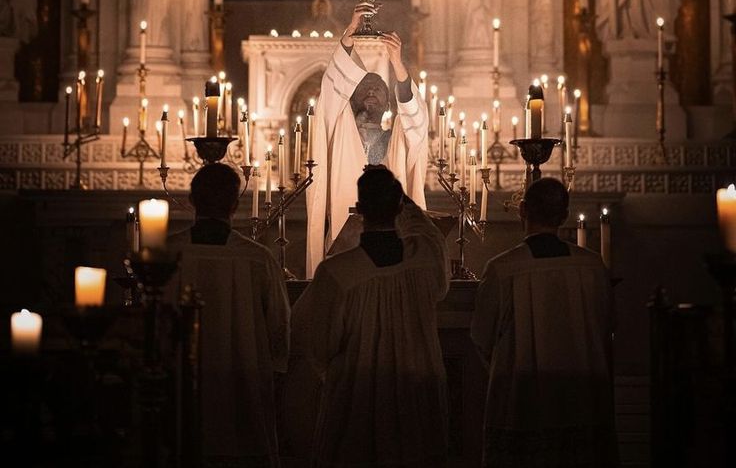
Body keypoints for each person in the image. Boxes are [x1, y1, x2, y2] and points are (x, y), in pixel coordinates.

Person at [292, 167, 449, 468]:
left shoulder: (338, 272)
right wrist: (407, 204)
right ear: (400, 206)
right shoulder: (425, 258)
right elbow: (429, 235)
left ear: (359, 209)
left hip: (357, 398)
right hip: (415, 393)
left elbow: (317, 345)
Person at [470, 177, 618, 468]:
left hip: (522, 400)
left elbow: (481, 337)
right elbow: (607, 328)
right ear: (564, 215)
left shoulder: (503, 269)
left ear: (522, 210)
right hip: (581, 397)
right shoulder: (592, 267)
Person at [167, 162, 290, 468]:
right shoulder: (256, 258)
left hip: (181, 383)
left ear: (192, 201)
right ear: (235, 203)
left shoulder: (166, 254)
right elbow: (279, 325)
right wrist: (276, 373)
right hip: (244, 384)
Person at [306, 5, 429, 276]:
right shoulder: (338, 134)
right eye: (364, 88)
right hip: (343, 247)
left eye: (379, 89)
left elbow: (416, 124)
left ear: (388, 103)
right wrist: (350, 33)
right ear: (350, 98)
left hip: (392, 248)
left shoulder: (395, 139)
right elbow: (330, 91)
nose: (371, 90)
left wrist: (397, 63)